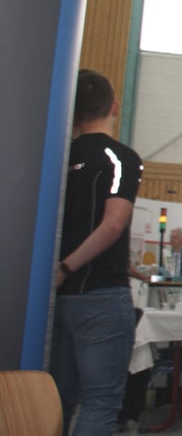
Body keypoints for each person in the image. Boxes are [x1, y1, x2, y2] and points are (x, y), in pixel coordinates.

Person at [50, 69, 143, 436]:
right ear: (114, 107)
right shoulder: (120, 157)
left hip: (58, 298)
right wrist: (67, 266)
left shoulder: (56, 156)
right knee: (101, 402)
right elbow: (113, 223)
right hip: (99, 292)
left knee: (58, 397)